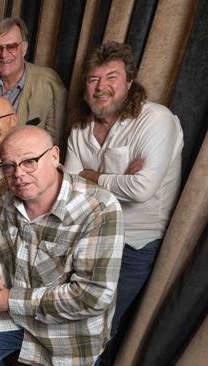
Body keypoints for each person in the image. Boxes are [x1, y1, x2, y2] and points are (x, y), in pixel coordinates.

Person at [0, 126, 124, 366]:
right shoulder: (4, 190)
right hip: (12, 317)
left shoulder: (99, 208)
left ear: (54, 156)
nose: (18, 174)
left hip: (67, 333)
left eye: (29, 161)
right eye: (9, 166)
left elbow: (93, 295)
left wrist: (10, 299)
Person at [64, 41, 184, 364]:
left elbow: (142, 188)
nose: (101, 87)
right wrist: (117, 179)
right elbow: (69, 188)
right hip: (89, 238)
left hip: (134, 246)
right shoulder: (80, 127)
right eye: (93, 79)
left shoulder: (156, 120)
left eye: (111, 77)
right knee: (72, 321)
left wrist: (95, 176)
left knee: (99, 329)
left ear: (129, 82)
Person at [0, 18, 67, 147]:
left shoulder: (49, 84)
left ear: (24, 48)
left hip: (27, 163)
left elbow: (54, 144)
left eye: (11, 46)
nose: (4, 54)